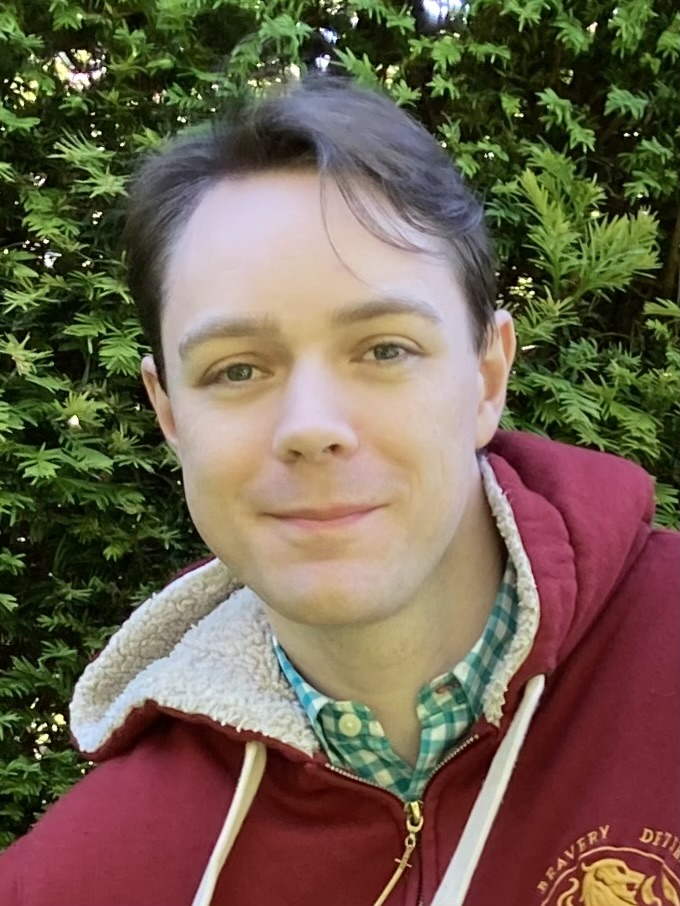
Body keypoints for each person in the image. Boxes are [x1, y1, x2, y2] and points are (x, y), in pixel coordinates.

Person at [1, 75, 678, 906]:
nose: (310, 426)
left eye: (385, 349)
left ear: (487, 377)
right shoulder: (73, 880)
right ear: (169, 412)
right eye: (236, 370)